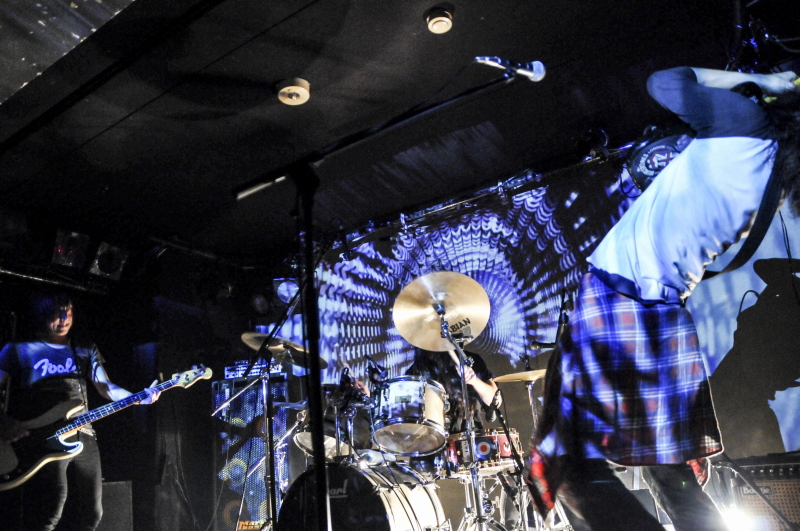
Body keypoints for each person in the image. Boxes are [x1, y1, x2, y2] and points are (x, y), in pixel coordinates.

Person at [527, 66, 800, 531]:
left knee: (570, 462)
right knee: (670, 472)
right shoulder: (778, 181)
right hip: (663, 314)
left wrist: (769, 83)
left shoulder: (748, 124)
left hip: (618, 299)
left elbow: (665, 82)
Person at [0, 292, 160, 531]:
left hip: (83, 430)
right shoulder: (18, 349)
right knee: (51, 510)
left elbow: (105, 386)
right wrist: (3, 421)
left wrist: (138, 398)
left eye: (69, 312)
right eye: (57, 313)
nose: (64, 318)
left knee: (92, 512)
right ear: (42, 314)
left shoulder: (84, 348)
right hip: (44, 436)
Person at [405, 347, 500, 434]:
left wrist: (474, 380)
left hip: (470, 436)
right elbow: (404, 407)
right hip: (432, 438)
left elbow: (493, 399)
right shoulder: (416, 371)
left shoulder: (469, 360)